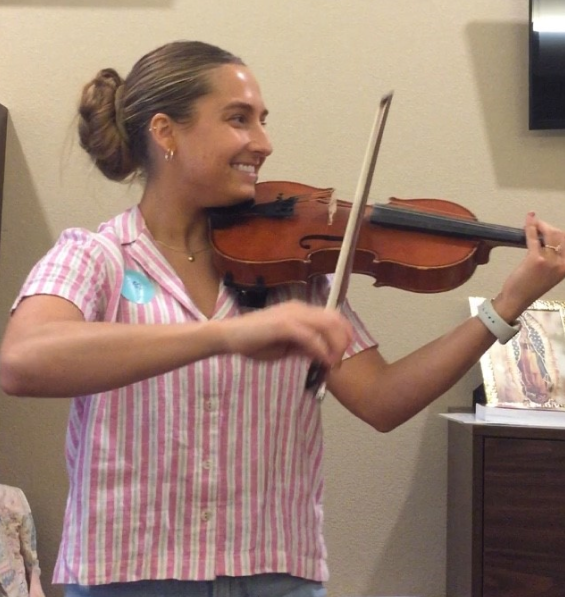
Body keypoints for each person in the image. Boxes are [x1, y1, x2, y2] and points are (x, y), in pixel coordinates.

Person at [0, 40, 564, 597]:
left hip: (273, 576)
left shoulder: (290, 271)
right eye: (238, 119)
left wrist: (507, 305)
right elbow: (24, 361)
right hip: (126, 576)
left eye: (263, 121)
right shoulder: (94, 257)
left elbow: (383, 399)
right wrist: (225, 333)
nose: (263, 143)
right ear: (165, 132)